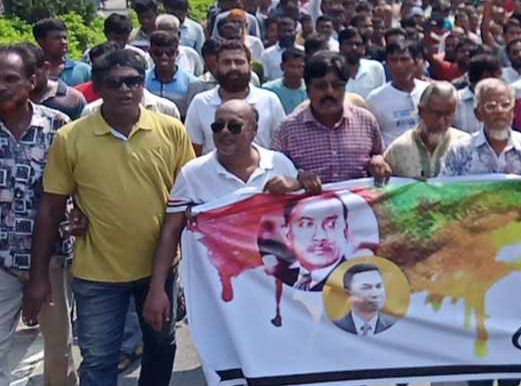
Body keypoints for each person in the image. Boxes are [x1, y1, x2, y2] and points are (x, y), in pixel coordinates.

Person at [24, 49, 195, 386]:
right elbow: (51, 207)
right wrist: (38, 275)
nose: (125, 89)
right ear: (98, 87)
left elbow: (189, 199)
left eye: (133, 81)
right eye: (114, 83)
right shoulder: (71, 138)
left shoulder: (171, 130)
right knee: (99, 361)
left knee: (161, 347)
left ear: (143, 84)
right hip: (97, 274)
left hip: (158, 269)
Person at [141, 99, 306, 330]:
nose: (225, 132)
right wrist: (157, 289)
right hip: (219, 297)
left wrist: (300, 185)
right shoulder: (193, 174)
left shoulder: (280, 165)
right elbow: (170, 231)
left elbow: (303, 221)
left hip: (274, 293)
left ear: (254, 131)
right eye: (218, 126)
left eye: (234, 126)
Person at [0, 45, 76, 386]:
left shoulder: (58, 127)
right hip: (1, 261)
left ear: (32, 81)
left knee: (58, 355)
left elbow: (78, 187)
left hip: (51, 260)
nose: (1, 86)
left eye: (10, 79)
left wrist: (80, 215)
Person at [273, 51, 391, 184]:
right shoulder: (287, 130)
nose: (329, 92)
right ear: (307, 89)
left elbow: (379, 154)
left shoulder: (366, 121)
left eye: (336, 85)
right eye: (321, 86)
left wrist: (378, 161)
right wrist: (297, 178)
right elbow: (275, 174)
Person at [185, 41, 286, 155]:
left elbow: (282, 145)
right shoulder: (200, 103)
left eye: (239, 62)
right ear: (217, 67)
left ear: (250, 66)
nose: (233, 67)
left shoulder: (270, 101)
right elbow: (193, 152)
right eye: (226, 62)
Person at [441, 78, 521, 177]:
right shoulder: (459, 150)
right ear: (478, 114)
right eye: (491, 106)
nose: (499, 111)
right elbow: (445, 185)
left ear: (513, 112)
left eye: (505, 105)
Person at [384, 81, 470, 179]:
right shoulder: (398, 149)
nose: (441, 122)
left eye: (448, 114)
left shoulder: (466, 145)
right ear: (420, 111)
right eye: (436, 114)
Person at [276, 193, 354, 291]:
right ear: (287, 235)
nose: (320, 236)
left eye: (331, 224)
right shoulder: (278, 278)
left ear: (346, 231)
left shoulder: (355, 280)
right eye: (307, 224)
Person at [368, 41, 429, 146]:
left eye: (404, 59)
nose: (399, 66)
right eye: (393, 60)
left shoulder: (428, 91)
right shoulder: (375, 98)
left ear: (415, 62)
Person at [333, 264, 399, 336]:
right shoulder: (334, 328)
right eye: (366, 288)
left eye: (379, 286)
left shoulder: (396, 325)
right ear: (348, 293)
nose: (375, 294)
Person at [144, 31, 198, 114]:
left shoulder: (191, 83)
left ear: (177, 53)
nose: (164, 57)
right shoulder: (142, 80)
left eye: (170, 53)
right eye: (158, 53)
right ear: (150, 53)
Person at [454, 54, 506, 134]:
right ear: (486, 76)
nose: (502, 80)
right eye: (499, 76)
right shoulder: (455, 101)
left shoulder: (505, 101)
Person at [34, 18, 93, 86]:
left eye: (65, 38)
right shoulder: (32, 71)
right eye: (57, 38)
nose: (63, 42)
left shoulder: (84, 71)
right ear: (41, 41)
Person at [337, 29, 387, 98]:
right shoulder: (335, 71)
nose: (354, 48)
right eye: (349, 44)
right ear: (340, 47)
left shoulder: (375, 68)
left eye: (358, 44)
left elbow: (382, 97)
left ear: (364, 47)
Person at [263, 48, 310, 113]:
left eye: (300, 67)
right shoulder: (268, 90)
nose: (296, 71)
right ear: (282, 67)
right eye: (291, 66)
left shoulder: (310, 89)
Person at [262, 16, 303, 82]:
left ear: (295, 32)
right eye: (284, 31)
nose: (287, 34)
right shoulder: (266, 54)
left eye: (290, 31)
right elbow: (265, 78)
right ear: (278, 32)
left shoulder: (303, 51)